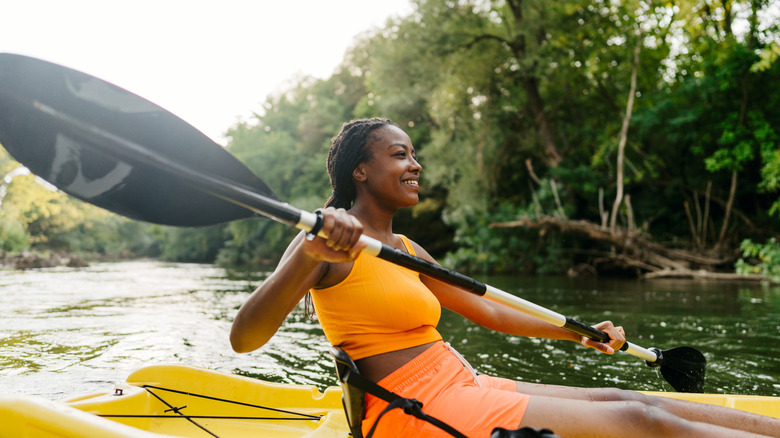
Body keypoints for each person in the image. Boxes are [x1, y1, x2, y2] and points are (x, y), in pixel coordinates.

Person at [231, 118, 780, 437]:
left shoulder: (405, 249)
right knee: (637, 418)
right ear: (361, 170)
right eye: (400, 154)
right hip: (407, 411)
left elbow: (491, 310)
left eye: (415, 153)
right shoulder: (320, 247)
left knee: (626, 394)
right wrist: (306, 254)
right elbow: (244, 339)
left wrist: (579, 332)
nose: (415, 164)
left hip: (459, 382)